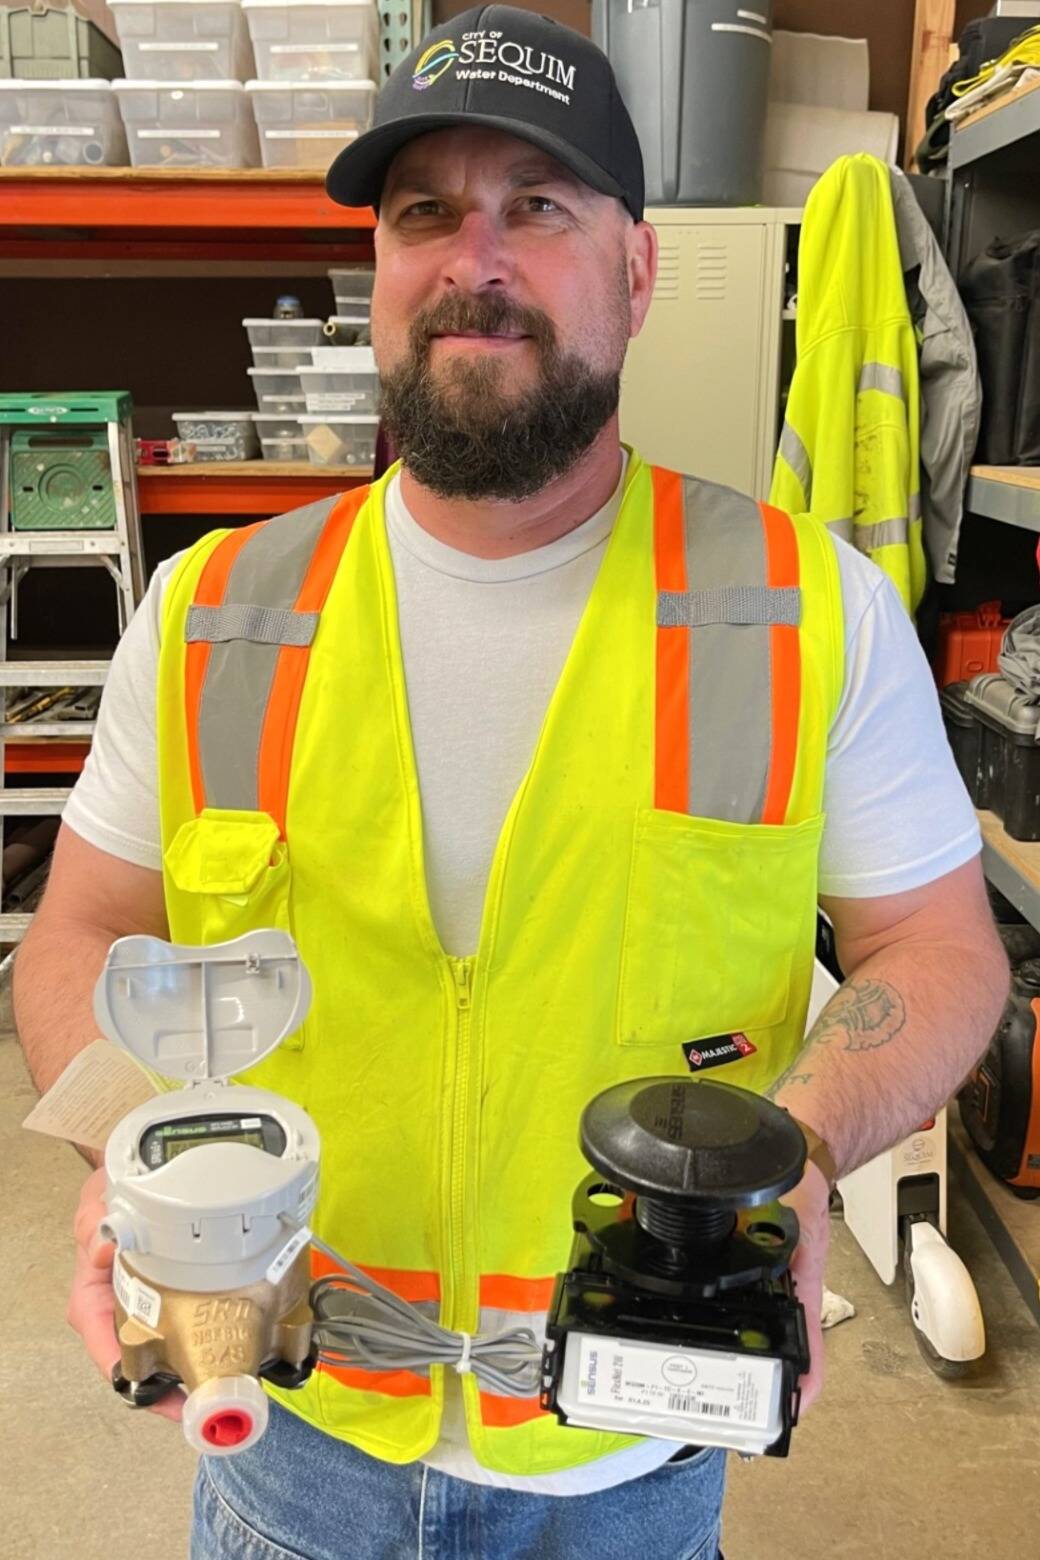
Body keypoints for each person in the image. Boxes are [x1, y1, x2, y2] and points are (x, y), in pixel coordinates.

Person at [15, 7, 1008, 1558]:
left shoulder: (805, 610)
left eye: (536, 206)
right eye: (425, 212)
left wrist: (794, 1154)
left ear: (635, 270)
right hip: (293, 1439)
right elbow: (77, 937)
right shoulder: (216, 611)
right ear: (378, 274)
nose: (474, 258)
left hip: (631, 1465)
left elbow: (939, 952)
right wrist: (132, 1150)